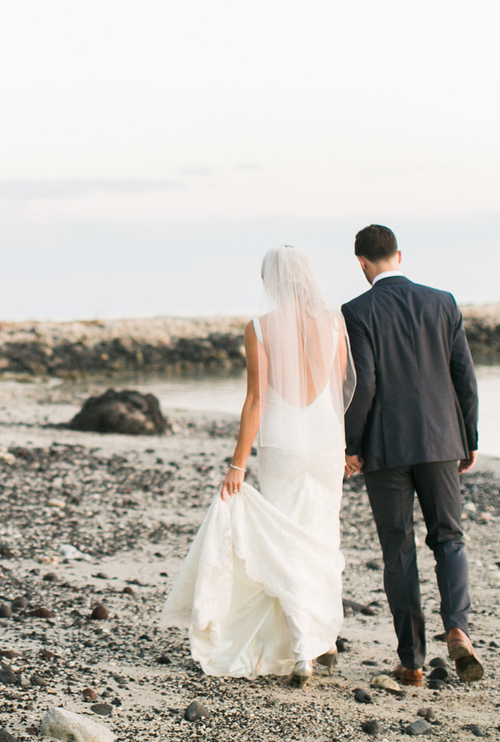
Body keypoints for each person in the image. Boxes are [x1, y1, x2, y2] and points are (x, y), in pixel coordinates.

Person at [161, 246, 355, 686]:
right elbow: (339, 393)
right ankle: (319, 639)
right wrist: (347, 449)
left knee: (285, 545)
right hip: (326, 444)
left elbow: (255, 400)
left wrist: (237, 464)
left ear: (270, 282)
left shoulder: (260, 328)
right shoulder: (335, 323)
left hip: (283, 444)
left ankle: (305, 649)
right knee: (321, 541)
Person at [342, 224, 483, 686]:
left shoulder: (357, 310)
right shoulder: (443, 301)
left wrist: (352, 446)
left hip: (386, 448)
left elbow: (364, 384)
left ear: (362, 263)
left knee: (398, 549)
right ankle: (458, 627)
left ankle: (413, 661)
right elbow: (463, 374)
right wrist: (470, 438)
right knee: (449, 538)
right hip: (443, 441)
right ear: (399, 256)